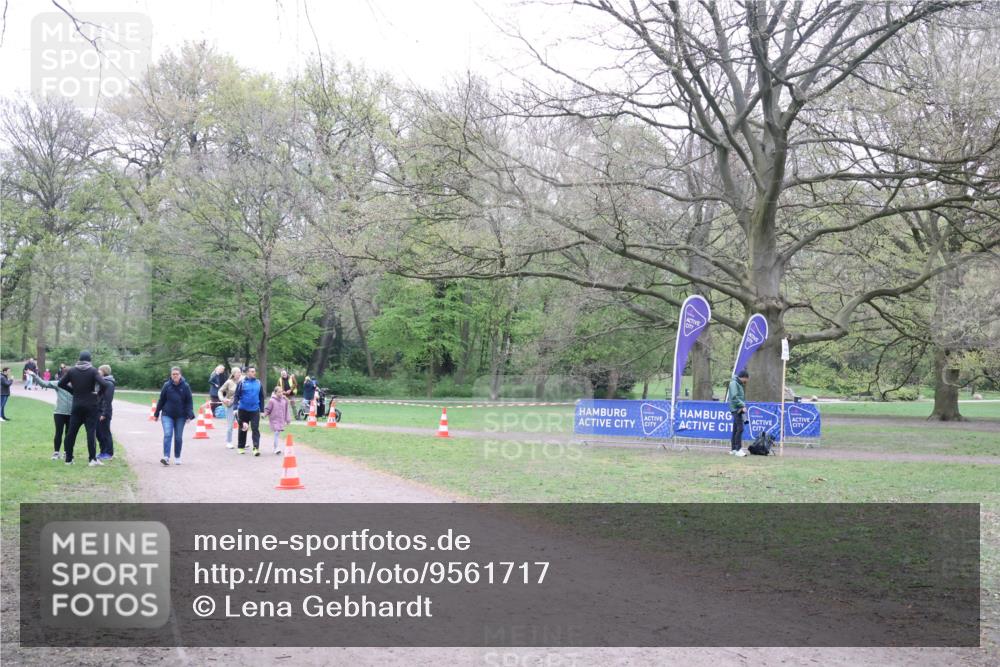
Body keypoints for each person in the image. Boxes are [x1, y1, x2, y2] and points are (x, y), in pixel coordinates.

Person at [58, 350, 111, 466]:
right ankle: (92, 459)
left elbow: (60, 384)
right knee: (91, 433)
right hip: (91, 406)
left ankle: (68, 459)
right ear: (89, 359)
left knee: (71, 433)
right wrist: (98, 394)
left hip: (76, 405)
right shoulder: (93, 371)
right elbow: (105, 384)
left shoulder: (72, 371)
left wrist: (73, 391)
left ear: (79, 359)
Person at [154, 367, 195, 466]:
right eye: (173, 374)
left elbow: (189, 401)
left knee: (178, 437)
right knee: (168, 434)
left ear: (180, 375)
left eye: (177, 374)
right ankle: (166, 457)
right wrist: (156, 413)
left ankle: (177, 456)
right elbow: (161, 400)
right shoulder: (167, 385)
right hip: (167, 415)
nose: (175, 376)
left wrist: (189, 414)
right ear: (171, 375)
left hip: (181, 416)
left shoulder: (185, 386)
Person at [30, 370, 74, 459]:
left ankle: (67, 452)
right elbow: (43, 384)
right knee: (58, 432)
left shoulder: (77, 384)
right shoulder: (58, 383)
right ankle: (56, 453)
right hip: (59, 412)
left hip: (72, 413)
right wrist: (34, 375)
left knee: (69, 434)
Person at [232, 366, 265, 456]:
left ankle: (256, 448)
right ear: (247, 373)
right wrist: (235, 408)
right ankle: (241, 447)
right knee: (243, 428)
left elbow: (261, 397)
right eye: (252, 371)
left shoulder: (258, 383)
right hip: (243, 410)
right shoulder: (242, 383)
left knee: (255, 429)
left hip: (255, 410)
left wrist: (262, 410)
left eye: (254, 371)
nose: (254, 373)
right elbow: (236, 396)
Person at [262, 386, 291, 455]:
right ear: (275, 393)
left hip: (281, 420)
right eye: (279, 392)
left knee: (278, 433)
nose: (280, 393)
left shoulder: (284, 400)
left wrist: (288, 419)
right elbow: (268, 409)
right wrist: (264, 415)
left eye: (281, 392)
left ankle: (276, 447)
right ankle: (276, 448)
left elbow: (287, 410)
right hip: (274, 420)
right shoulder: (272, 401)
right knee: (277, 432)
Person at [218, 367, 242, 449]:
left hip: (241, 405)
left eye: (240, 372)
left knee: (242, 424)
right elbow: (220, 391)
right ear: (233, 374)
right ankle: (229, 442)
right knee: (230, 425)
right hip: (231, 405)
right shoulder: (229, 382)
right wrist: (223, 399)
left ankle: (242, 442)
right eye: (238, 372)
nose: (239, 374)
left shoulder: (242, 382)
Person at [96, 365, 116, 461]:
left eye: (99, 370)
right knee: (99, 433)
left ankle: (109, 453)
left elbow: (107, 400)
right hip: (98, 410)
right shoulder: (102, 382)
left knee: (105, 432)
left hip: (104, 412)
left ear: (104, 371)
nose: (98, 371)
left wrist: (104, 413)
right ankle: (103, 451)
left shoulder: (109, 383)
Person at [728, 369, 750, 457]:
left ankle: (733, 449)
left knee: (735, 429)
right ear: (744, 377)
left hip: (737, 408)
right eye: (747, 379)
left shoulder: (737, 383)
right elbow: (734, 397)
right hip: (736, 409)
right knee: (740, 429)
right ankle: (738, 449)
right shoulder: (734, 383)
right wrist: (742, 405)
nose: (747, 381)